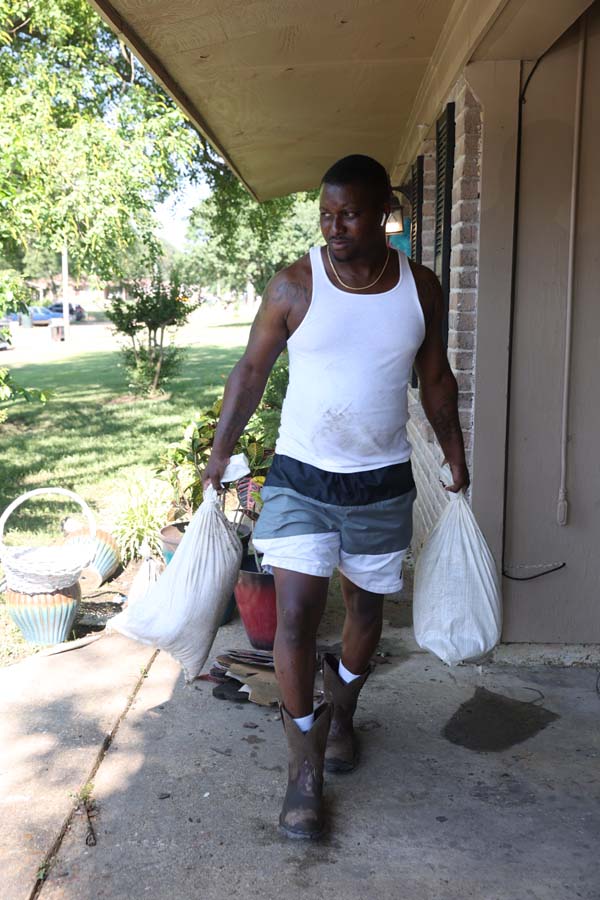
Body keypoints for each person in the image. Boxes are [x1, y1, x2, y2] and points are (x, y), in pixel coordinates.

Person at [203, 154, 470, 840]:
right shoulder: (296, 286)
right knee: (295, 614)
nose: (334, 226)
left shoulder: (421, 288)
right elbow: (251, 370)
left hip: (381, 483)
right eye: (326, 214)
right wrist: (222, 450)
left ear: (384, 212)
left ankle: (342, 708)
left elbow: (435, 378)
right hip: (300, 477)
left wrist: (455, 455)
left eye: (348, 213)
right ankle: (303, 765)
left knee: (365, 615)